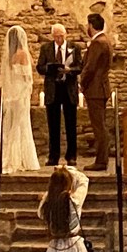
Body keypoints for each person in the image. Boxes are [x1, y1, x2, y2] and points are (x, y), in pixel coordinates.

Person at [33, 165, 101, 252]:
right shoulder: (74, 200)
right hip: (74, 245)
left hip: (55, 246)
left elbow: (40, 214)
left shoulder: (47, 202)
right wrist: (68, 170)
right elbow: (84, 180)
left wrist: (58, 175)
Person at [36, 23, 82, 167]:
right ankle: (53, 156)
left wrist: (70, 70)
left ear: (65, 35)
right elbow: (40, 67)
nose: (59, 39)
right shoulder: (46, 48)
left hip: (68, 88)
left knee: (70, 124)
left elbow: (80, 66)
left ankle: (71, 155)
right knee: (53, 125)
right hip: (53, 89)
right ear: (52, 36)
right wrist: (50, 68)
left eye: (61, 36)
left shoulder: (75, 48)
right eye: (56, 37)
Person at [0, 25, 41, 173]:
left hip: (13, 93)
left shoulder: (10, 56)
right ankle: (21, 158)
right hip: (22, 92)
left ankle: (12, 156)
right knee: (22, 124)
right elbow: (27, 76)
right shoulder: (23, 54)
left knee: (14, 124)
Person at [80, 13, 112, 172]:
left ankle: (101, 160)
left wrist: (82, 83)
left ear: (91, 25)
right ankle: (102, 159)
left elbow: (90, 67)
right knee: (100, 124)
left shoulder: (98, 43)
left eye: (88, 25)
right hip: (101, 88)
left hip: (95, 89)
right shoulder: (105, 41)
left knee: (99, 126)